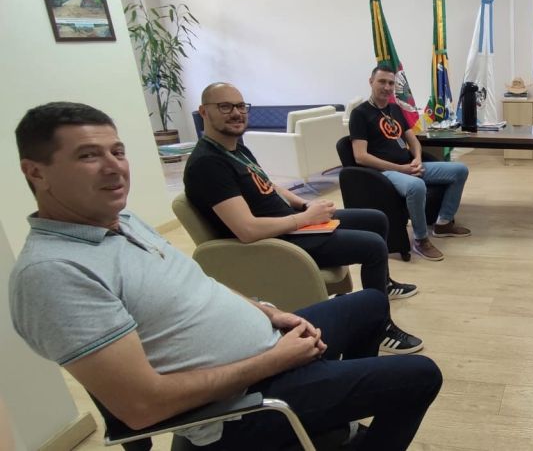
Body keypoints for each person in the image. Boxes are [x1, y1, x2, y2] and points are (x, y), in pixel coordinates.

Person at [10, 102, 443, 450]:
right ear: (36, 172)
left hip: (269, 349)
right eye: (88, 155)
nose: (114, 167)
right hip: (239, 408)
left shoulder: (122, 221)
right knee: (419, 376)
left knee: (370, 304)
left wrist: (269, 313)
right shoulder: (53, 274)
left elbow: (199, 285)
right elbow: (142, 408)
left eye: (117, 152)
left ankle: (331, 424)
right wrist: (276, 359)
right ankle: (327, 419)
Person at [183, 82, 423, 354]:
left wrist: (302, 203)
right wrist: (305, 218)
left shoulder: (235, 149)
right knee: (373, 246)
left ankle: (382, 285)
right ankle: (380, 328)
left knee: (376, 219)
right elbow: (247, 229)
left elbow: (268, 185)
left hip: (291, 222)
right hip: (277, 241)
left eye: (240, 106)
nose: (237, 113)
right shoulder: (208, 164)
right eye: (225, 107)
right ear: (204, 111)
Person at [350, 65, 471, 261]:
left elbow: (412, 140)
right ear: (371, 82)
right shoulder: (360, 114)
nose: (387, 87)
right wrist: (401, 169)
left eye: (391, 83)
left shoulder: (395, 109)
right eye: (382, 82)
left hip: (408, 166)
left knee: (460, 170)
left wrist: (417, 159)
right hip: (384, 172)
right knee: (416, 186)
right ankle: (421, 239)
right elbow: (360, 156)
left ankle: (443, 223)